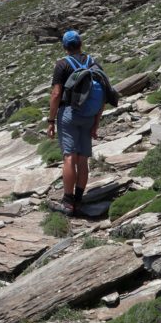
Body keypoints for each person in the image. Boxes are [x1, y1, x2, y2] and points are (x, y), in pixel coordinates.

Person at [47, 30, 106, 214]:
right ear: (81, 44)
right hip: (88, 115)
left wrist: (51, 120)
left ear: (65, 47)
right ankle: (79, 200)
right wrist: (96, 121)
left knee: (69, 157)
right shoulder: (93, 62)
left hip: (69, 114)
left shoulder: (62, 65)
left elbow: (56, 94)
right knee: (82, 159)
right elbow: (103, 92)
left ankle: (67, 201)